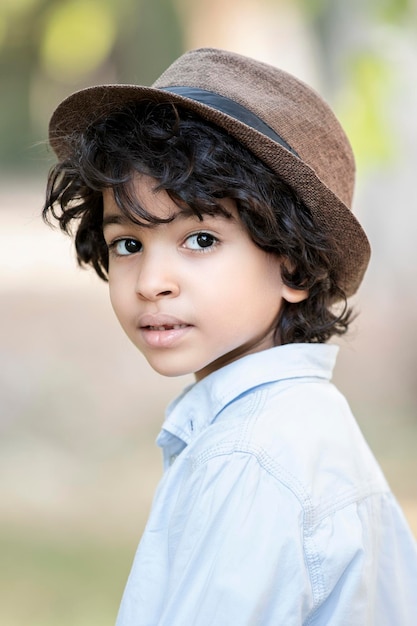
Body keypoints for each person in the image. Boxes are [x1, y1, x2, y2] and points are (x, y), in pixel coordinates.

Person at [43, 48, 417, 625]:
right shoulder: (296, 425)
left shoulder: (253, 457)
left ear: (293, 264)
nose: (152, 283)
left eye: (200, 240)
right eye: (129, 244)